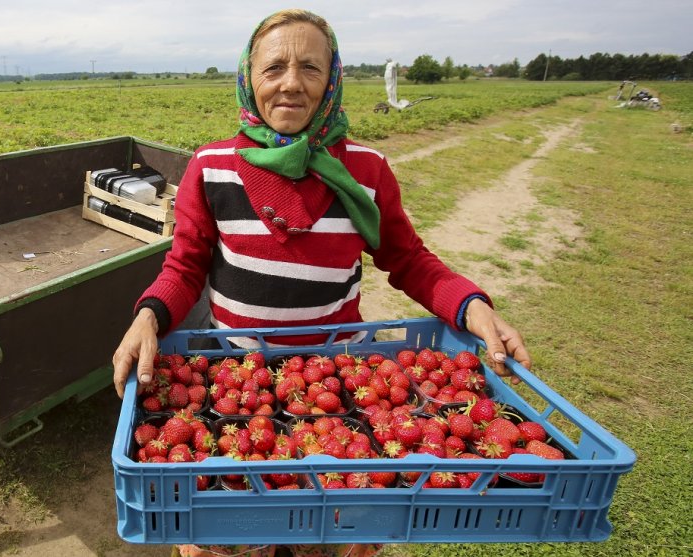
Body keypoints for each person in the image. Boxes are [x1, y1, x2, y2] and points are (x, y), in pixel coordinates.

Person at [111, 9, 532, 557]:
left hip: (339, 391)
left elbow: (408, 259)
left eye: (311, 67)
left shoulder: (367, 170)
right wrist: (149, 315)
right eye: (274, 68)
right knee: (230, 535)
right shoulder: (211, 167)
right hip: (237, 386)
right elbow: (186, 264)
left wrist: (471, 305)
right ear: (248, 77)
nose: (291, 83)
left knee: (329, 533)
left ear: (332, 80)